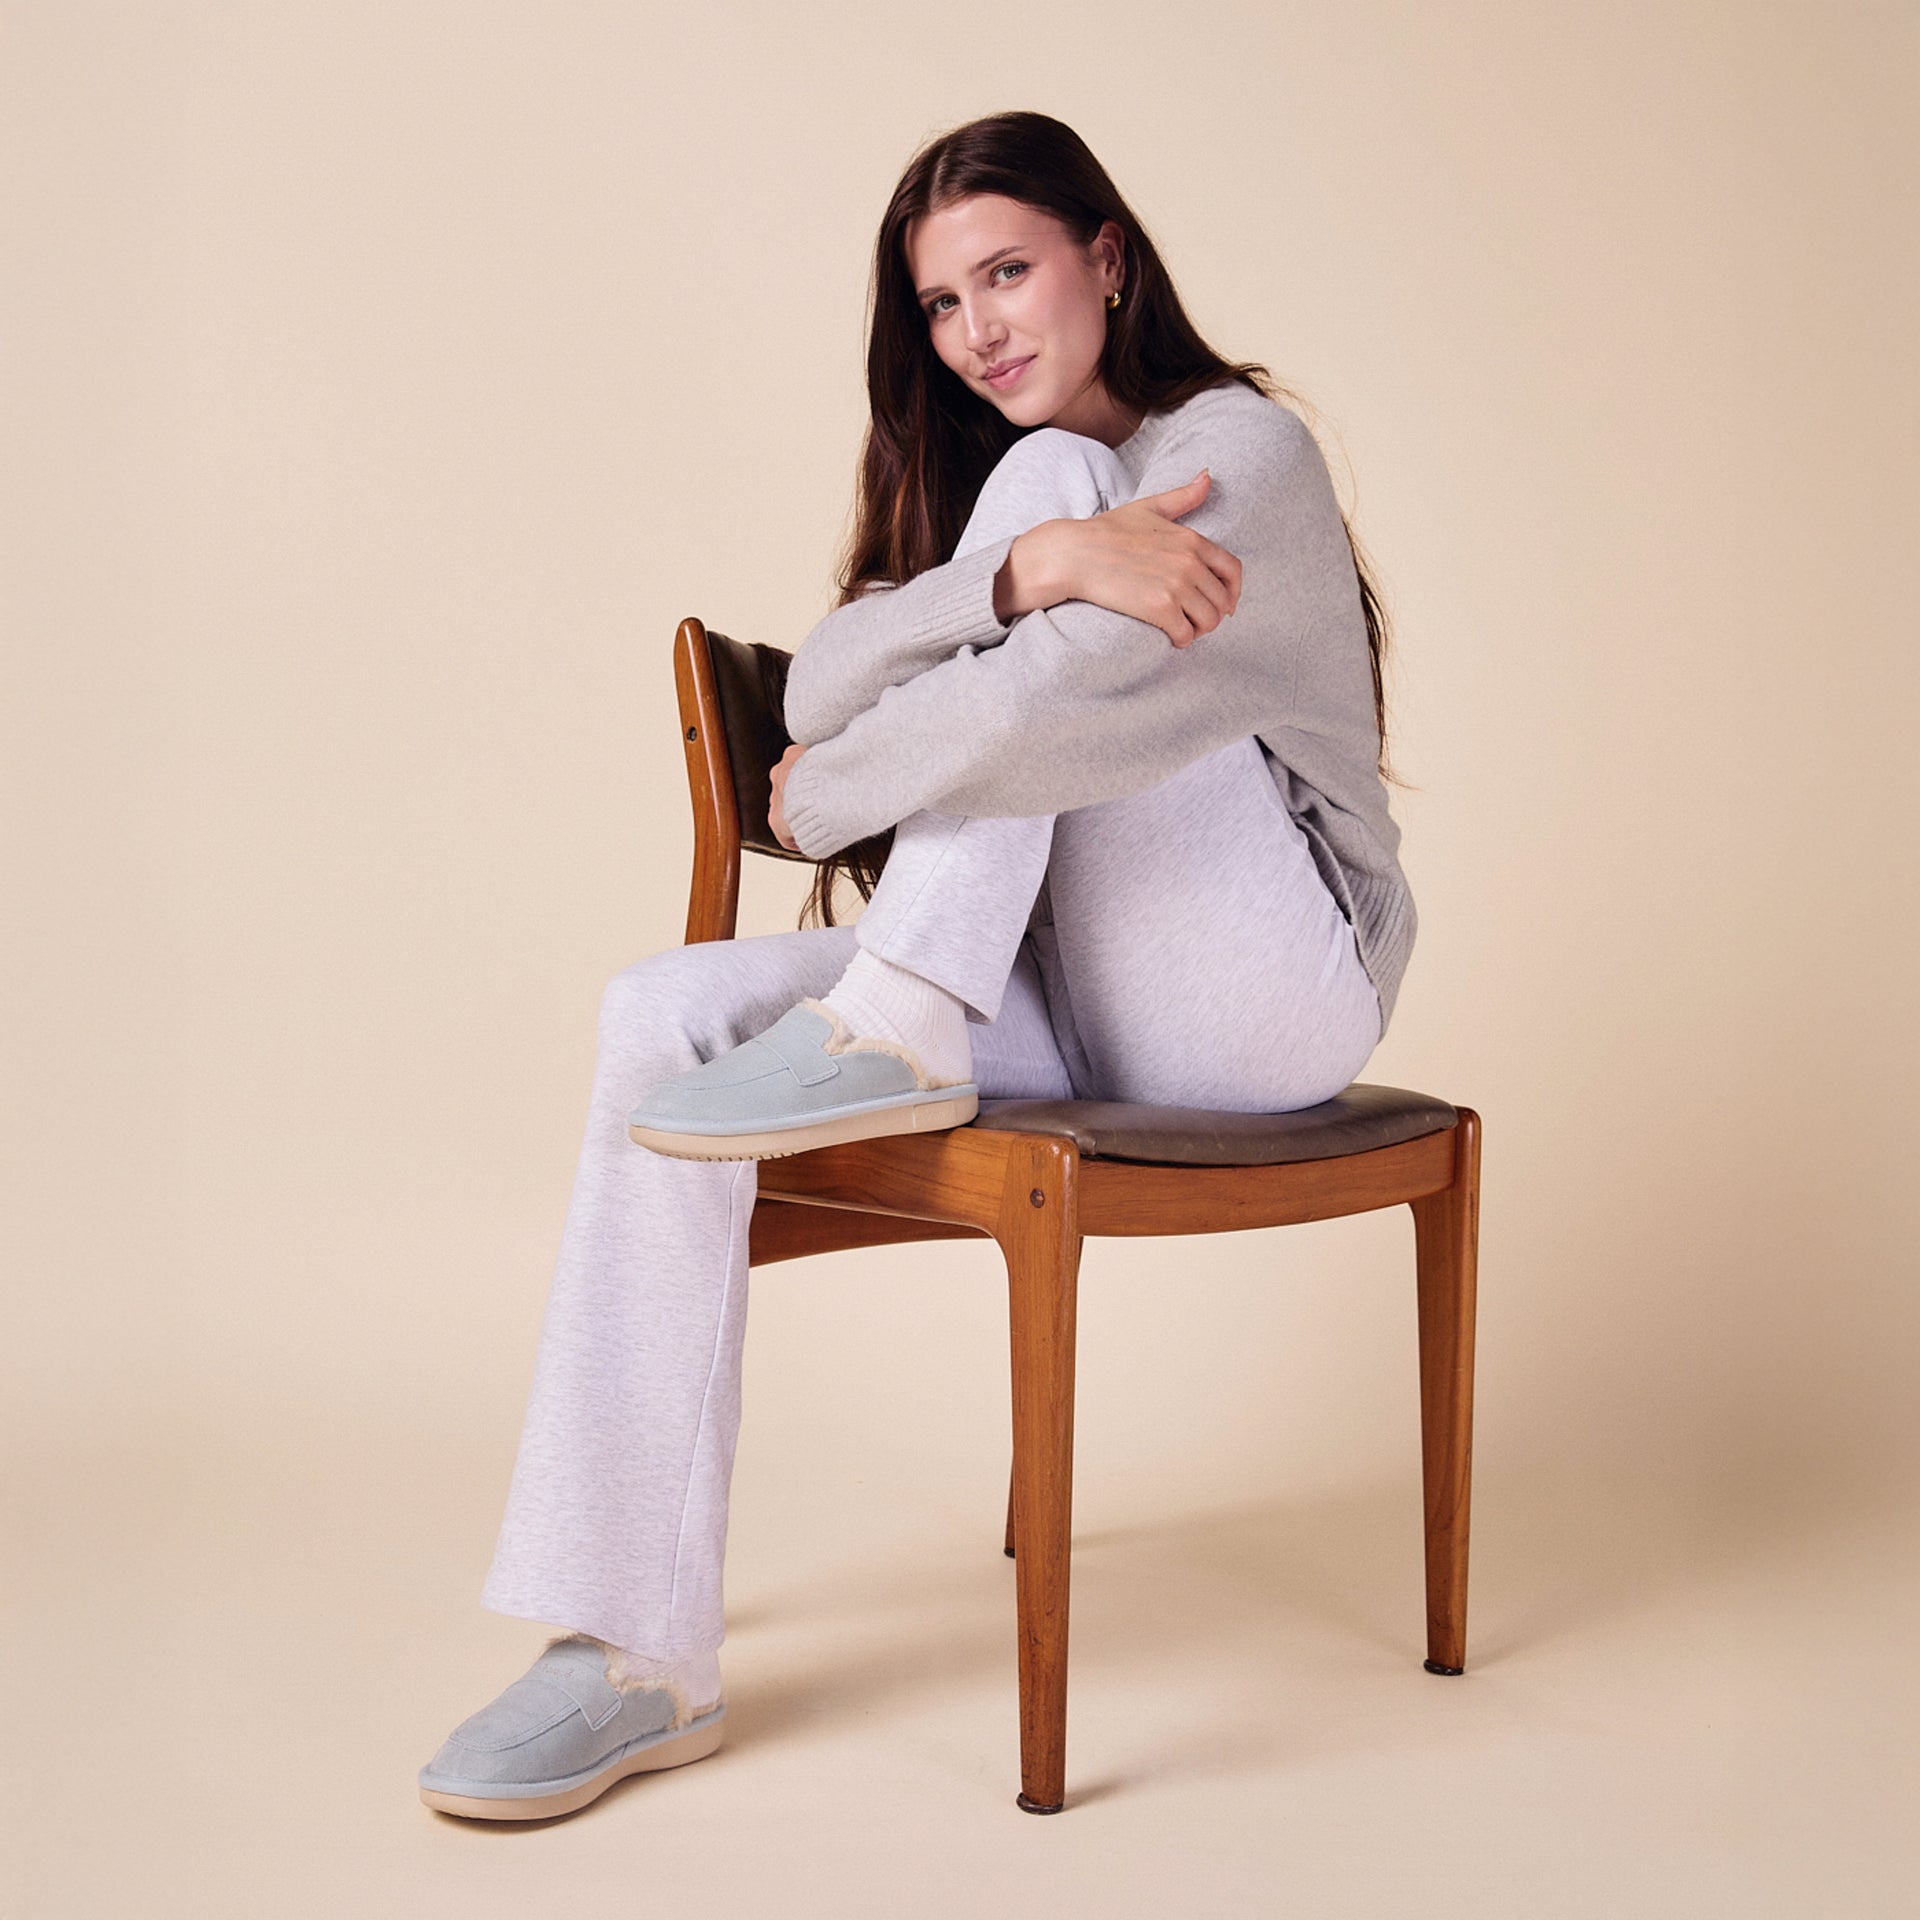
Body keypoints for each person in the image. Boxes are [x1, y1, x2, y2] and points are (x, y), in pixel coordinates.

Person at [418, 108, 1415, 1822]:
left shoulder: (1239, 452)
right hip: (1061, 989)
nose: (982, 331)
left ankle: (892, 1017)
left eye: (1010, 270)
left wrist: (841, 786)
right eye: (945, 305)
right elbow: (809, 691)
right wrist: (1021, 569)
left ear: (1108, 253)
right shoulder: (1001, 503)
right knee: (655, 1017)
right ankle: (634, 1652)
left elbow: (997, 722)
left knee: (1045, 515)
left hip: (1272, 989)